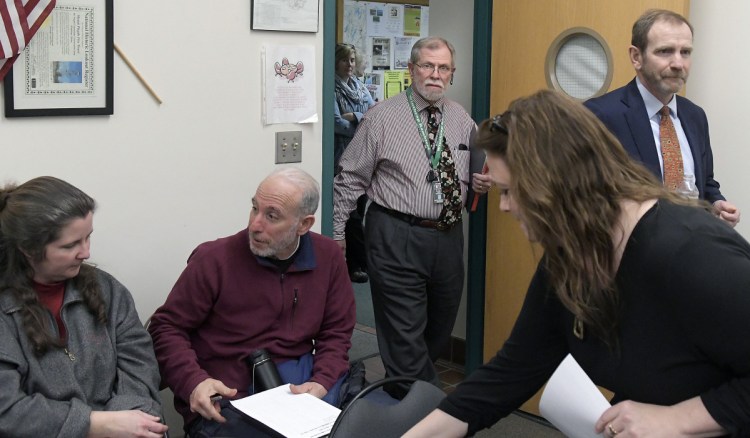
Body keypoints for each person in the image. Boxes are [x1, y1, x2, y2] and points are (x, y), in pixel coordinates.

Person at [403, 89, 750, 437]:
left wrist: (676, 420)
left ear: (555, 183)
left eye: (508, 191)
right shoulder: (570, 259)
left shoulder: (690, 254)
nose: (504, 207)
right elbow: (509, 374)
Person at [333, 36, 491, 399]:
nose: (435, 75)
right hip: (395, 234)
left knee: (437, 327)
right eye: (427, 66)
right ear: (411, 70)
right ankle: (435, 414)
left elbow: (466, 175)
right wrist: (338, 233)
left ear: (451, 74)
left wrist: (480, 183)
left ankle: (402, 395)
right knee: (403, 333)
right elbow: (349, 180)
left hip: (449, 237)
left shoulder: (460, 118)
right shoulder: (381, 118)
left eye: (444, 68)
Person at [148, 167, 356, 438]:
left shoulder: (327, 257)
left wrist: (321, 382)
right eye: (254, 209)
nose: (255, 225)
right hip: (231, 393)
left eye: (272, 216)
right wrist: (194, 382)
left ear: (304, 225)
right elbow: (166, 328)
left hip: (299, 387)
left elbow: (337, 333)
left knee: (375, 421)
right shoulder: (214, 259)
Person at [0, 176, 166, 438]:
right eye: (70, 245)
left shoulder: (109, 291)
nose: (86, 253)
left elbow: (140, 371)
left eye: (88, 237)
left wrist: (126, 422)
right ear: (27, 249)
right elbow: (7, 412)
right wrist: (95, 425)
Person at [585, 9, 740, 227]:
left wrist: (716, 205)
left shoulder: (695, 116)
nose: (678, 64)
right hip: (634, 253)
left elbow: (705, 182)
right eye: (665, 51)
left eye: (685, 52)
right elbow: (588, 199)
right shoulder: (600, 116)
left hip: (693, 246)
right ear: (636, 57)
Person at [334, 42, 376, 283]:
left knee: (360, 210)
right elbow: (336, 123)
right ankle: (355, 264)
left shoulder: (359, 88)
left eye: (351, 60)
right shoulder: (332, 88)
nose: (349, 65)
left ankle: (360, 262)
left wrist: (357, 117)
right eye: (343, 60)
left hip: (363, 157)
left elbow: (373, 114)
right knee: (349, 216)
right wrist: (362, 123)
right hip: (341, 158)